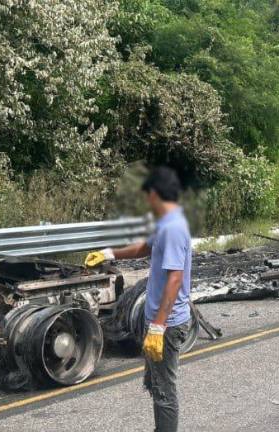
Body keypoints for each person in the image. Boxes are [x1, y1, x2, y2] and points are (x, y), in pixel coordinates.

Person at [85, 167, 192, 432]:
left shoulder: (174, 228)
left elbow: (175, 279)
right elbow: (144, 247)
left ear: (154, 194)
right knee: (155, 383)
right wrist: (109, 253)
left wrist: (158, 326)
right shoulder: (166, 221)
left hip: (166, 324)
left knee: (164, 390)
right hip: (157, 320)